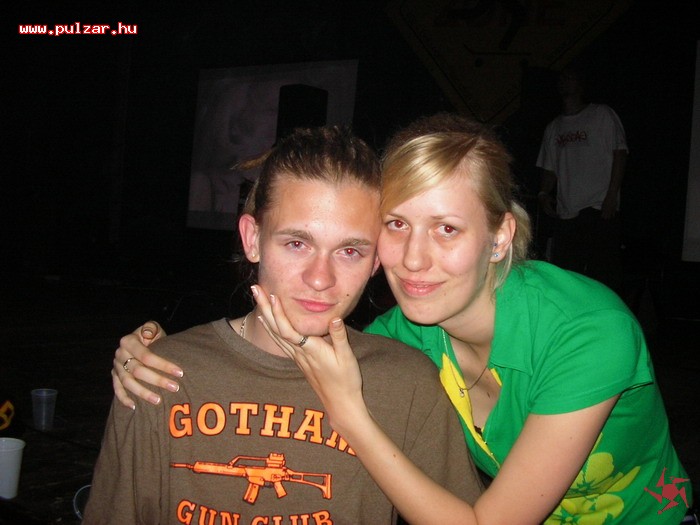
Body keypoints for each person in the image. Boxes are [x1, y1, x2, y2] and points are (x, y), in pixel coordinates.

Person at [113, 114, 693, 524]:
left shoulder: (588, 331)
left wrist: (350, 413)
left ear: (499, 237)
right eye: (396, 225)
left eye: (447, 228)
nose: (414, 259)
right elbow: (293, 346)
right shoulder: (402, 336)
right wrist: (157, 349)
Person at [83, 126, 482, 524]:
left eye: (349, 251)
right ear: (252, 239)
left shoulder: (408, 384)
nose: (320, 278)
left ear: (376, 260)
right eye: (297, 244)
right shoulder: (158, 374)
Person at [536, 66, 628, 293]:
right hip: (567, 212)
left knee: (603, 276)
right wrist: (544, 193)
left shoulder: (601, 114)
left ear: (581, 84)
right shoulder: (553, 127)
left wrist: (611, 197)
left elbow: (620, 153)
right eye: (561, 78)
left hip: (598, 207)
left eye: (570, 77)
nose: (564, 81)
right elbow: (550, 168)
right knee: (568, 277)